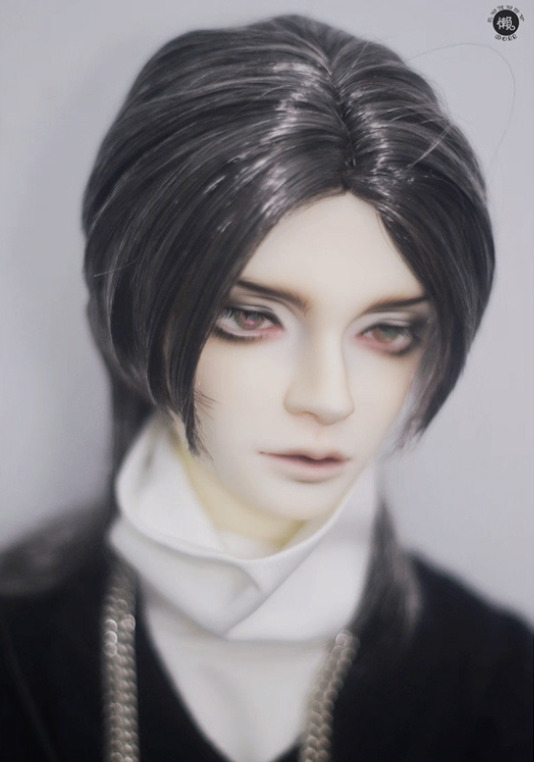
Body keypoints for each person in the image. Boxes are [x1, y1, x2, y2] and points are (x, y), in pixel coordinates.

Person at [0, 14, 531, 762]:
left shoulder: (497, 686)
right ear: (141, 314)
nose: (329, 398)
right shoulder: (19, 655)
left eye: (387, 330)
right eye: (252, 317)